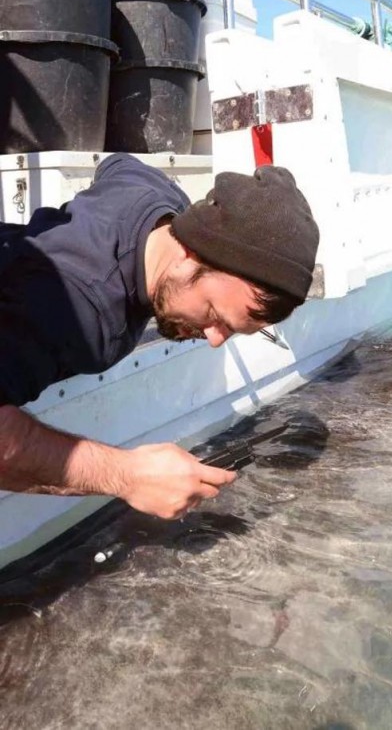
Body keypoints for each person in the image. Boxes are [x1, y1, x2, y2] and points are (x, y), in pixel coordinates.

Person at [0, 153, 319, 519]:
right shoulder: (83, 316)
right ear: (189, 253)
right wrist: (127, 477)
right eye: (216, 316)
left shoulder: (156, 199)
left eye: (232, 331)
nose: (215, 339)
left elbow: (118, 163)